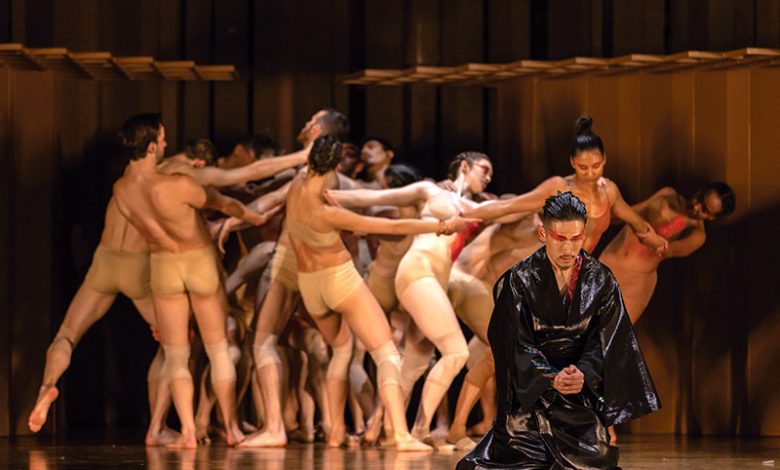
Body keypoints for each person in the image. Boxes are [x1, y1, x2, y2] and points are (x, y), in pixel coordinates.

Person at [281, 134, 476, 450]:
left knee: (342, 351)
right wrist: (436, 227)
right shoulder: (326, 211)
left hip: (309, 285)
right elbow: (391, 228)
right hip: (337, 280)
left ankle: (334, 432)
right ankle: (399, 434)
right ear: (335, 164)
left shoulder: (296, 186)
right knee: (385, 352)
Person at [457, 192, 660, 470]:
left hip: (577, 398)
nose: (568, 248)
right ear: (543, 233)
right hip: (528, 401)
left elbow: (609, 339)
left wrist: (583, 373)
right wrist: (550, 377)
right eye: (560, 238)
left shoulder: (601, 280)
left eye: (576, 239)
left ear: (584, 234)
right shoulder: (518, 281)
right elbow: (514, 344)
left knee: (593, 461)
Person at [112, 113, 269, 448]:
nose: (168, 145)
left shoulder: (122, 189)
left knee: (176, 355)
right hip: (197, 261)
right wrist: (253, 215)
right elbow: (223, 202)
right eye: (164, 140)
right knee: (218, 350)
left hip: (163, 266)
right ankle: (231, 428)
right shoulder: (177, 184)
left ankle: (185, 431)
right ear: (152, 146)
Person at [462, 116, 668, 255]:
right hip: (549, 268)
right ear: (572, 163)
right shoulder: (559, 187)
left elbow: (634, 220)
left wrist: (652, 238)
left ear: (604, 159)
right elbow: (509, 207)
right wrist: (461, 218)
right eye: (583, 167)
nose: (590, 173)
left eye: (596, 166)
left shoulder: (609, 191)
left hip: (580, 271)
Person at [600, 182, 736, 324]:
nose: (696, 206)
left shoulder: (697, 235)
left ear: (712, 217)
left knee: (608, 337)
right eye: (700, 198)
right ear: (701, 190)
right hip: (610, 260)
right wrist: (602, 216)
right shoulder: (668, 194)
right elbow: (631, 211)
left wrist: (641, 226)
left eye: (704, 210)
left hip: (635, 282)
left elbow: (664, 250)